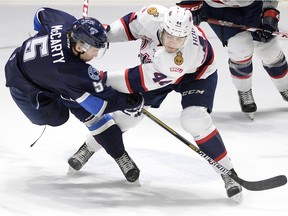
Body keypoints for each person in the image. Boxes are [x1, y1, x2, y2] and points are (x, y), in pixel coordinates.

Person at [68, 5, 243, 203]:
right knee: (128, 117)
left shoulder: (180, 57)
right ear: (163, 26)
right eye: (169, 36)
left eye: (179, 39)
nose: (173, 43)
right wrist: (93, 36)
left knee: (194, 120)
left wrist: (96, 78)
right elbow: (124, 28)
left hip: (196, 76)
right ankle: (89, 147)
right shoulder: (151, 16)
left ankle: (228, 172)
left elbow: (134, 80)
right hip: (156, 71)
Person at [4, 7, 144, 183]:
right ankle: (70, 97)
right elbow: (101, 105)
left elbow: (41, 14)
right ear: (79, 46)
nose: (96, 54)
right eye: (94, 50)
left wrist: (43, 42)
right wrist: (129, 101)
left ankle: (119, 154)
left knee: (75, 97)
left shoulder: (67, 23)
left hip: (43, 73)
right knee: (60, 116)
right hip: (25, 89)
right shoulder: (71, 72)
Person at [176, 0, 288, 120]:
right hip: (218, 9)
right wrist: (191, 5)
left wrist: (269, 11)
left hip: (253, 5)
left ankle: (285, 87)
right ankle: (244, 91)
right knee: (240, 47)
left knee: (269, 50)